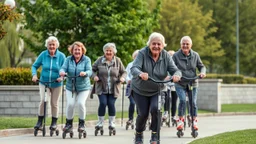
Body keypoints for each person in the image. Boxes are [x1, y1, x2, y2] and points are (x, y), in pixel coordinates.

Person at [131, 32, 181, 144]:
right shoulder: (142, 53)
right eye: (154, 43)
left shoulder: (166, 56)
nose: (156, 46)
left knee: (156, 109)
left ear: (163, 45)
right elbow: (134, 68)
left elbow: (175, 69)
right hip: (140, 89)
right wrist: (140, 74)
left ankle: (155, 135)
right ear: (149, 44)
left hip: (158, 89)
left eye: (159, 44)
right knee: (143, 113)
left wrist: (177, 75)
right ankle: (138, 134)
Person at [31, 36, 66, 131]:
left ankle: (54, 122)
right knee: (43, 101)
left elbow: (65, 69)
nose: (51, 46)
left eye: (53, 45)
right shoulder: (43, 54)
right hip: (44, 82)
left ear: (56, 46)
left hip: (56, 84)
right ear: (47, 46)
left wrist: (62, 77)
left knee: (54, 103)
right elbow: (34, 66)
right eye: (50, 45)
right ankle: (39, 122)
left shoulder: (61, 56)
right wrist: (34, 75)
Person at [172, 36, 206, 131]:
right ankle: (180, 120)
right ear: (180, 45)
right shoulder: (175, 55)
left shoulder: (195, 55)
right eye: (183, 43)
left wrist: (202, 72)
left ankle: (194, 120)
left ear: (191, 45)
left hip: (192, 82)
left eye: (187, 44)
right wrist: (174, 76)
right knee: (182, 100)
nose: (185, 45)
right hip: (180, 82)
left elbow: (201, 66)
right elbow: (172, 68)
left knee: (193, 102)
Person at [91, 42, 127, 133]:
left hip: (114, 88)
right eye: (107, 51)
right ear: (104, 51)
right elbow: (92, 69)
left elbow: (124, 72)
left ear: (114, 52)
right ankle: (100, 123)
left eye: (110, 51)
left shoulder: (118, 61)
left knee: (111, 104)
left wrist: (122, 78)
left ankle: (112, 123)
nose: (108, 52)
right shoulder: (99, 60)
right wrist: (94, 76)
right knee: (103, 103)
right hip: (101, 87)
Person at [59, 41, 92, 133]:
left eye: (79, 50)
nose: (77, 51)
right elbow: (63, 68)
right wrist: (61, 72)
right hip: (71, 87)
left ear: (82, 50)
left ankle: (81, 124)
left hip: (84, 87)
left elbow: (90, 71)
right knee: (70, 104)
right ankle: (68, 124)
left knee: (81, 103)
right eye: (75, 50)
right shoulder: (68, 59)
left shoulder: (87, 59)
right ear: (72, 51)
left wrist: (85, 73)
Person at [161, 50, 178, 124]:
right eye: (169, 55)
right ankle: (166, 112)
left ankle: (173, 115)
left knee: (174, 99)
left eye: (172, 56)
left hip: (174, 84)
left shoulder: (176, 64)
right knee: (166, 98)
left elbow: (178, 72)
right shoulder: (164, 63)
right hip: (166, 83)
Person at [125, 49, 139, 126]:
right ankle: (130, 119)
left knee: (139, 104)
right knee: (132, 103)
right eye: (135, 56)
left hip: (140, 87)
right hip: (131, 87)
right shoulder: (130, 65)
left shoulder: (142, 65)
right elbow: (125, 74)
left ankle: (139, 118)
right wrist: (128, 80)